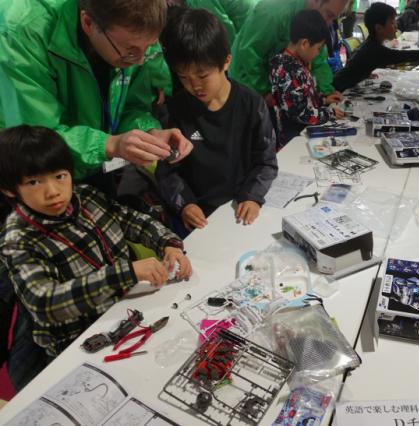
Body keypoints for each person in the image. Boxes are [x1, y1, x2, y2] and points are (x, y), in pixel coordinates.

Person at [0, 125, 192, 389]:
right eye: (34, 182)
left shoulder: (86, 197)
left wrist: (168, 243)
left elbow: (130, 220)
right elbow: (46, 304)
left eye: (60, 176)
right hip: (79, 346)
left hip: (126, 315)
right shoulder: (17, 239)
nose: (53, 191)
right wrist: (126, 273)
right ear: (10, 189)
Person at [0, 0, 193, 185]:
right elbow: (34, 138)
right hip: (32, 174)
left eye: (150, 47)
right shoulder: (20, 32)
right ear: (88, 22)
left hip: (95, 162)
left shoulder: (134, 38)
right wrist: (109, 145)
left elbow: (132, 106)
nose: (141, 60)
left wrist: (148, 133)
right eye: (130, 50)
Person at [157, 8, 278, 233]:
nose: (195, 86)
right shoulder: (175, 111)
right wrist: (185, 204)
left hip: (240, 208)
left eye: (203, 75)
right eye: (184, 77)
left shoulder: (251, 104)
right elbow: (167, 171)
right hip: (201, 215)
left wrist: (252, 196)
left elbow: (266, 161)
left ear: (226, 61)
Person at [228, 0, 349, 102]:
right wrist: (265, 91)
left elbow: (317, 58)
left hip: (273, 81)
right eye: (329, 15)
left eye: (333, 18)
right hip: (246, 79)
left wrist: (328, 92)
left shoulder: (314, 18)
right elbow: (250, 53)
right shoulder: (274, 11)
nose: (328, 23)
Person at [333, 3, 419, 92]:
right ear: (379, 28)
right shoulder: (375, 50)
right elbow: (405, 56)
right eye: (391, 22)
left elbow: (354, 62)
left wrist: (364, 73)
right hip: (338, 90)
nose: (396, 26)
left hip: (341, 84)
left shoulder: (370, 44)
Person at [270, 10, 346, 148]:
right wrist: (329, 113)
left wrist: (324, 100)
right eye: (318, 48)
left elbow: (303, 98)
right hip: (294, 140)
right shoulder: (287, 70)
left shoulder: (296, 63)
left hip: (305, 131)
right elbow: (299, 113)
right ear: (304, 44)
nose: (318, 54)